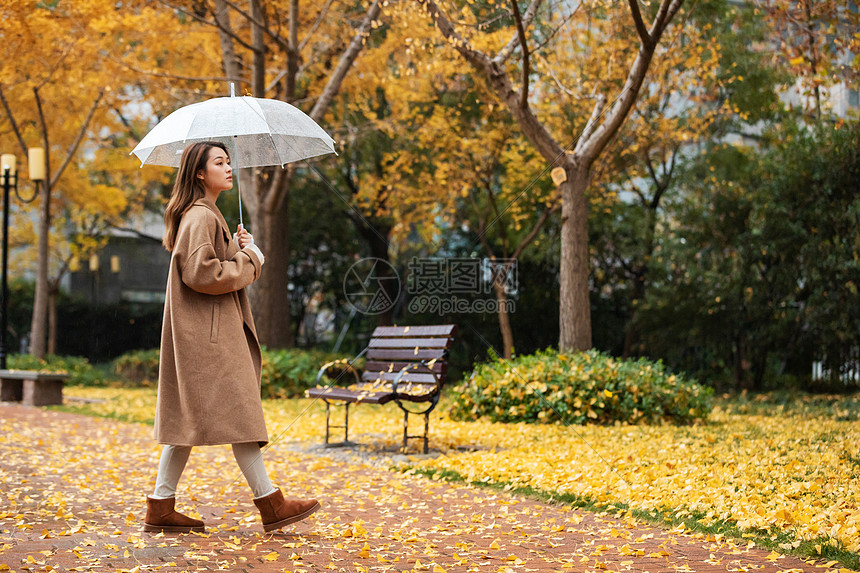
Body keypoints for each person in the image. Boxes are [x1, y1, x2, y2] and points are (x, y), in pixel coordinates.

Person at [144, 141, 319, 534]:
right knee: (241, 413)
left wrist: (237, 247)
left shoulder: (206, 215)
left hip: (207, 335)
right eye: (219, 162)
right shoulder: (200, 217)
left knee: (187, 421)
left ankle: (161, 504)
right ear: (200, 173)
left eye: (228, 161)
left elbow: (207, 266)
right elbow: (202, 274)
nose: (228, 167)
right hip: (210, 339)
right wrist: (251, 257)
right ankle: (271, 503)